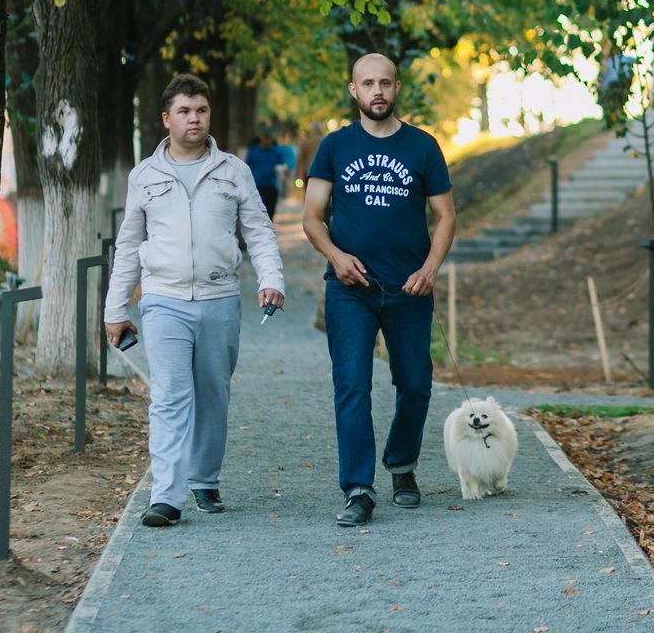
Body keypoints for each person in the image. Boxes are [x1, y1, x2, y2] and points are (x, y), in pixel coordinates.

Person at [104, 74, 284, 527]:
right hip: (163, 299)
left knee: (212, 393)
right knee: (169, 396)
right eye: (184, 111)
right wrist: (115, 308)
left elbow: (259, 231)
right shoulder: (144, 176)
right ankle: (166, 495)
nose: (194, 119)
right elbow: (128, 245)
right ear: (166, 119)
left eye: (201, 110)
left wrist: (272, 280)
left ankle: (205, 478)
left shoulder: (234, 171)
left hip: (220, 297)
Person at [302, 53, 457, 527]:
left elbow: (446, 216)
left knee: (415, 383)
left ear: (396, 88)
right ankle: (358, 488)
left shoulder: (423, 147)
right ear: (353, 91)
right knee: (352, 384)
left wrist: (431, 268)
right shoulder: (333, 146)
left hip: (410, 287)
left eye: (385, 83)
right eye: (367, 84)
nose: (377, 92)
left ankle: (403, 465)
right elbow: (311, 216)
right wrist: (335, 256)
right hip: (352, 289)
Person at [243, 126, 284, 220]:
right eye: (265, 137)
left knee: (270, 215)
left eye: (269, 137)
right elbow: (246, 167)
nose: (267, 140)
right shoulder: (253, 150)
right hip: (256, 188)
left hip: (270, 187)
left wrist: (280, 169)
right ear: (261, 137)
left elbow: (283, 165)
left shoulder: (275, 151)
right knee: (257, 215)